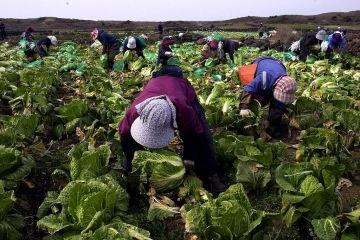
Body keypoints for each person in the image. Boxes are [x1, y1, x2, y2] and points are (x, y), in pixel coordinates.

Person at [118, 66, 225, 194]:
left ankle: (211, 174)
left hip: (181, 88)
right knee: (129, 153)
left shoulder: (184, 111)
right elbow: (125, 135)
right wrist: (132, 163)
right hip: (156, 84)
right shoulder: (134, 111)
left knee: (204, 136)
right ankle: (130, 178)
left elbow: (196, 133)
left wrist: (189, 157)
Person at [238, 57, 297, 138]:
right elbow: (248, 89)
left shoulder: (286, 81)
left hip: (278, 64)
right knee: (258, 96)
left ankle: (273, 125)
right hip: (262, 62)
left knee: (279, 103)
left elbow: (280, 103)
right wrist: (244, 107)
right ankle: (249, 126)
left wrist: (275, 118)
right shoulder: (264, 77)